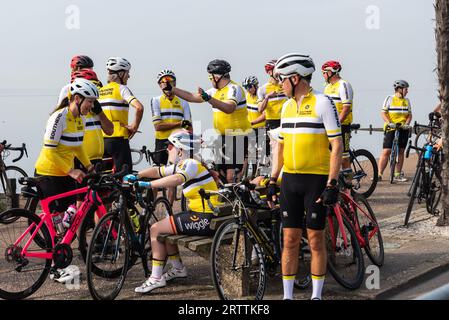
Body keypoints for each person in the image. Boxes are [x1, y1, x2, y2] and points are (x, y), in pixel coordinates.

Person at [268, 53, 343, 300]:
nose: (278, 83)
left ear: (295, 78)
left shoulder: (323, 102)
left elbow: (337, 145)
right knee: (289, 239)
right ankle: (287, 297)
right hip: (290, 180)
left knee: (315, 239)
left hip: (316, 180)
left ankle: (316, 296)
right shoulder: (286, 107)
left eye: (281, 79)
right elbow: (280, 146)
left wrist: (332, 183)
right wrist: (272, 179)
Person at [123, 130, 221, 294]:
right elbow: (158, 171)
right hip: (205, 216)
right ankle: (178, 268)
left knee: (155, 229)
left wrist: (148, 185)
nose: (167, 149)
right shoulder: (188, 163)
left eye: (170, 146)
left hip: (204, 220)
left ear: (181, 149)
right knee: (167, 226)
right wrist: (135, 175)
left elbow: (176, 179)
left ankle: (155, 278)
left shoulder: (191, 164)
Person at [171, 59, 252, 182]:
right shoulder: (214, 91)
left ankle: (239, 198)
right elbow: (192, 97)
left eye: (210, 77)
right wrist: (172, 89)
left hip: (238, 135)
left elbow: (229, 108)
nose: (210, 80)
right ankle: (231, 197)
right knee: (220, 173)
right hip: (222, 136)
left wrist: (209, 99)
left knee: (231, 175)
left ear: (217, 77)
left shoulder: (234, 89)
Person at [35, 78, 99, 214]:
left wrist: (90, 167)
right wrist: (71, 171)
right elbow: (49, 151)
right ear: (77, 98)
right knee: (57, 219)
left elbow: (78, 146)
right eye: (90, 101)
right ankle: (49, 234)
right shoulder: (59, 117)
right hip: (49, 174)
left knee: (70, 217)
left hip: (65, 173)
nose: (92, 106)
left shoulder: (81, 118)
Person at [151, 69, 192, 204]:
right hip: (161, 140)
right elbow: (158, 126)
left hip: (178, 142)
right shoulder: (156, 100)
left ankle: (169, 210)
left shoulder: (183, 102)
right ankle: (150, 207)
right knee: (156, 175)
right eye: (164, 82)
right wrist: (179, 123)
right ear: (160, 85)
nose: (167, 85)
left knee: (173, 175)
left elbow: (188, 125)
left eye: (171, 82)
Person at [98, 57, 144, 173]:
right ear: (120, 73)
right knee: (125, 177)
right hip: (118, 138)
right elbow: (139, 107)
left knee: (104, 180)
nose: (129, 76)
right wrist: (134, 126)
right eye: (127, 73)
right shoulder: (122, 89)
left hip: (101, 139)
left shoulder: (100, 91)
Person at [376, 80, 412, 182]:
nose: (407, 91)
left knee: (401, 151)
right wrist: (388, 122)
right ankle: (379, 174)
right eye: (406, 89)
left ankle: (397, 174)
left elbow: (409, 115)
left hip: (403, 128)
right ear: (399, 89)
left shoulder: (407, 100)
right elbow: (383, 113)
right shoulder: (389, 98)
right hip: (391, 127)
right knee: (386, 151)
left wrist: (407, 124)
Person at [322, 60, 354, 171]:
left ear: (332, 72)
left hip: (343, 125)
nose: (323, 75)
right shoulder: (327, 87)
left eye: (324, 72)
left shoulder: (343, 85)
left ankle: (348, 187)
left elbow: (346, 108)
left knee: (344, 158)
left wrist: (336, 124)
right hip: (330, 127)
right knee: (329, 155)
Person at [243, 76, 266, 176]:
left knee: (258, 153)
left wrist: (252, 122)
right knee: (248, 152)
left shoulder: (260, 97)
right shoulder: (247, 95)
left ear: (255, 86)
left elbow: (265, 115)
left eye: (249, 87)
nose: (247, 89)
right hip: (249, 128)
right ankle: (244, 175)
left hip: (260, 128)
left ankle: (256, 174)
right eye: (245, 87)